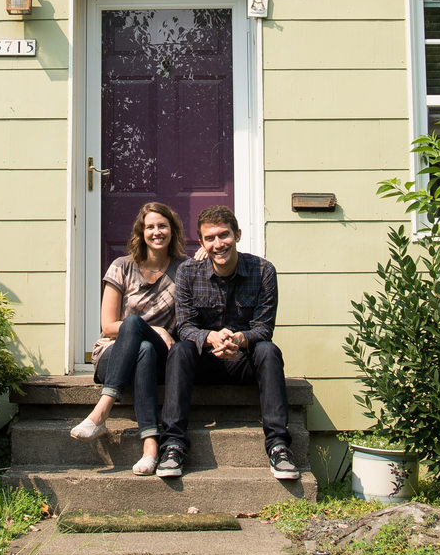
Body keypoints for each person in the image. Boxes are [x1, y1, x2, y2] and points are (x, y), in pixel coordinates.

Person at [155, 205, 299, 481]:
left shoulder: (263, 271)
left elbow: (264, 328)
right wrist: (211, 337)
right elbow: (185, 327)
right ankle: (173, 445)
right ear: (202, 242)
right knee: (181, 349)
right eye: (210, 238)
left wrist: (238, 339)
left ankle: (279, 446)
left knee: (269, 351)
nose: (218, 244)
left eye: (224, 235)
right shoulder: (188, 272)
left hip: (243, 362)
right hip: (203, 362)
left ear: (238, 235)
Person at [69, 202, 190, 476]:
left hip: (162, 354)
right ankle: (150, 448)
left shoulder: (185, 269)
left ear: (172, 231)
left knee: (145, 341)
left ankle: (100, 413)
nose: (156, 232)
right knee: (141, 341)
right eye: (150, 227)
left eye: (162, 226)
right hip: (113, 353)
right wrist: (155, 328)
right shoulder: (122, 267)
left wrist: (207, 251)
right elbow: (109, 325)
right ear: (141, 232)